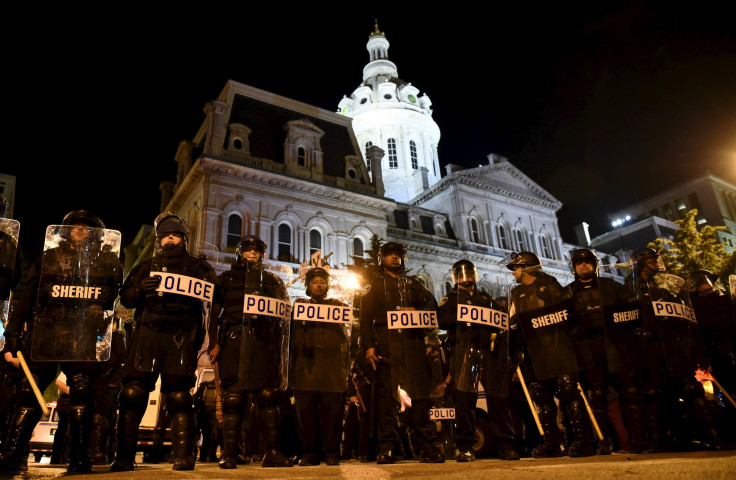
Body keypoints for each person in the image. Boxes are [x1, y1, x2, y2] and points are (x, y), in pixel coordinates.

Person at [1, 210, 123, 473]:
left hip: (82, 334)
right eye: (75, 227)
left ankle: (80, 457)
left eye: (86, 228)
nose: (80, 230)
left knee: (81, 391)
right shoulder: (50, 257)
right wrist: (12, 331)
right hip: (47, 332)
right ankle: (12, 455)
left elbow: (111, 295)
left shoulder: (106, 260)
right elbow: (28, 294)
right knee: (27, 393)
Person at [111, 212, 217, 471]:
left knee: (179, 396)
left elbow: (216, 298)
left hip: (180, 337)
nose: (170, 238)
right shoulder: (146, 265)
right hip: (147, 333)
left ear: (184, 238)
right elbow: (124, 297)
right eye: (166, 235)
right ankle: (124, 456)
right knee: (133, 393)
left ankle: (183, 455)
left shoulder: (198, 267)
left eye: (175, 234)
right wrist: (139, 290)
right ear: (159, 240)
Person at [208, 235, 293, 469]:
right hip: (235, 341)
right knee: (234, 399)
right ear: (240, 252)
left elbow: (283, 318)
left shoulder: (273, 281)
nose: (252, 253)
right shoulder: (225, 280)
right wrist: (214, 343)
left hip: (264, 344)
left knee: (267, 398)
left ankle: (272, 452)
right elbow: (214, 315)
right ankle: (229, 453)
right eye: (247, 249)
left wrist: (279, 350)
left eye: (256, 250)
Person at [626, 248, 722, 451]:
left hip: (672, 346)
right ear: (642, 264)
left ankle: (713, 437)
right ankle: (660, 439)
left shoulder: (663, 286)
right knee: (654, 393)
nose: (657, 265)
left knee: (690, 389)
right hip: (649, 349)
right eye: (652, 261)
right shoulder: (629, 290)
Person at [359, 242, 445, 464]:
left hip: (413, 349)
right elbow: (365, 319)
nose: (395, 258)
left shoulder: (414, 285)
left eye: (398, 255)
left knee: (420, 401)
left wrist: (431, 339)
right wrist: (369, 346)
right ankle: (387, 447)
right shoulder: (373, 286)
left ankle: (425, 446)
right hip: (386, 350)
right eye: (390, 255)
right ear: (382, 259)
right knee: (386, 403)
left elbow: (431, 308)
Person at [507, 251, 594, 458]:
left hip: (559, 350)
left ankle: (582, 441)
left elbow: (568, 316)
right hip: (535, 355)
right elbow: (512, 323)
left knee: (568, 393)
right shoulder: (517, 294)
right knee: (541, 397)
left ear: (527, 268)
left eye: (516, 268)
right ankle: (550, 442)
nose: (513, 273)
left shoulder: (551, 286)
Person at [437, 259, 520, 461]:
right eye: (461, 274)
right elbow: (443, 320)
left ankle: (505, 444)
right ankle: (465, 446)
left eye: (469, 273)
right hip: (463, 353)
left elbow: (501, 320)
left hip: (489, 353)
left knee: (497, 400)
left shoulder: (486, 298)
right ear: (455, 277)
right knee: (465, 400)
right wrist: (465, 312)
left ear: (475, 275)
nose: (466, 277)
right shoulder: (450, 299)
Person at [565, 248, 629, 455]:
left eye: (588, 262)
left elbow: (629, 311)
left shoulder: (610, 286)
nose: (584, 265)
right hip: (588, 348)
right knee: (596, 396)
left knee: (628, 393)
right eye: (579, 263)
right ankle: (603, 441)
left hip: (614, 344)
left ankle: (636, 439)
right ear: (574, 267)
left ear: (595, 265)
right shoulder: (568, 292)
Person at [289, 267, 352, 466]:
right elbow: (290, 337)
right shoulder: (299, 306)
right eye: (315, 282)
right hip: (304, 368)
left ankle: (331, 452)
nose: (319, 285)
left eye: (322, 282)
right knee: (306, 414)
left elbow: (347, 335)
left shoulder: (337, 305)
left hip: (331, 369)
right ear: (308, 285)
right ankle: (309, 452)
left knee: (332, 414)